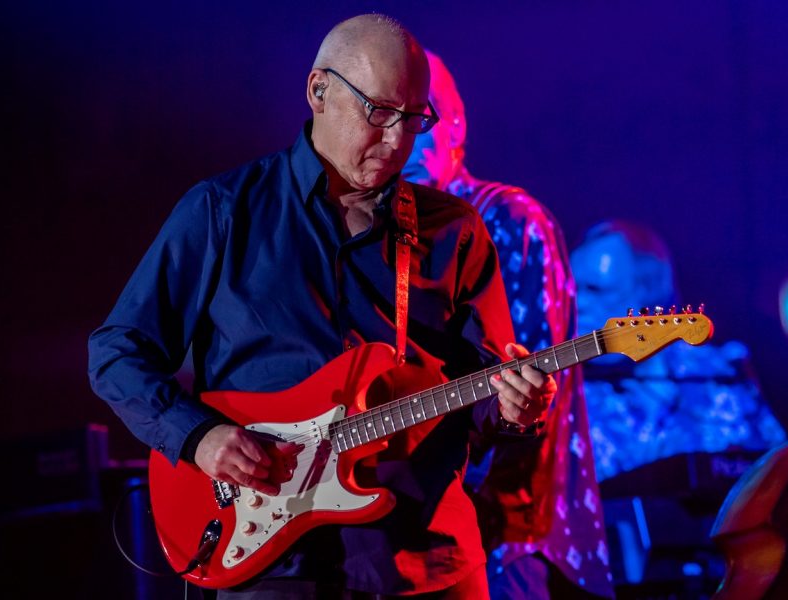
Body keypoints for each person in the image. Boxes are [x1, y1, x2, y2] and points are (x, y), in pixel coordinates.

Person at [87, 14, 556, 599]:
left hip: (426, 560)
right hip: (275, 564)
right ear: (319, 91)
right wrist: (199, 437)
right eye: (379, 112)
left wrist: (515, 409)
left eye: (414, 120)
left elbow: (482, 398)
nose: (396, 141)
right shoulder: (223, 211)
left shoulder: (453, 232)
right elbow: (116, 353)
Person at [403, 51, 615, 600]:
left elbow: (532, 384)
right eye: (389, 117)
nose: (407, 138)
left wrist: (471, 505)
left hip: (507, 535)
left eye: (421, 118)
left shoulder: (506, 218)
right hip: (419, 530)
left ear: (454, 125)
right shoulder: (392, 236)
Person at [569, 220, 787, 482]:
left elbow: (777, 472)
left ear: (648, 292)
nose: (577, 303)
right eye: (571, 290)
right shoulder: (562, 392)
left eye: (596, 289)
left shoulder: (719, 375)